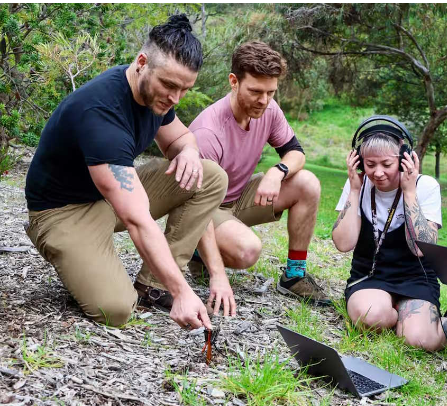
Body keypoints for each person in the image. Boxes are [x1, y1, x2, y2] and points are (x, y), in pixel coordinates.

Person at [24, 15, 234, 330]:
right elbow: (138, 221)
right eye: (170, 85)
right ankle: (165, 287)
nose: (175, 98)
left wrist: (189, 150)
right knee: (116, 309)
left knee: (210, 175)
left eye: (185, 89)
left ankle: (154, 286)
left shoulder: (156, 98)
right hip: (63, 213)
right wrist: (183, 291)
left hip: (107, 196)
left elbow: (180, 137)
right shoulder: (101, 113)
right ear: (141, 62)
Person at [188, 41, 328, 305]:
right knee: (247, 251)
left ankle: (294, 276)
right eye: (255, 91)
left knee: (307, 182)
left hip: (238, 198)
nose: (263, 101)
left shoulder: (269, 109)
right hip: (204, 208)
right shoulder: (208, 132)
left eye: (270, 92)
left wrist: (278, 172)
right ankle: (198, 254)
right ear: (233, 81)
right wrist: (218, 274)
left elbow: (296, 152)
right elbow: (195, 204)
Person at [332, 119, 447, 352]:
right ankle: (399, 316)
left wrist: (409, 193)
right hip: (370, 276)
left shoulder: (426, 186)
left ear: (403, 159)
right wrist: (354, 190)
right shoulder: (357, 185)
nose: (378, 173)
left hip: (415, 277)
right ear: (359, 162)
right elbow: (343, 243)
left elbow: (421, 248)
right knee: (371, 318)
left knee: (419, 341)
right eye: (370, 164)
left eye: (386, 164)